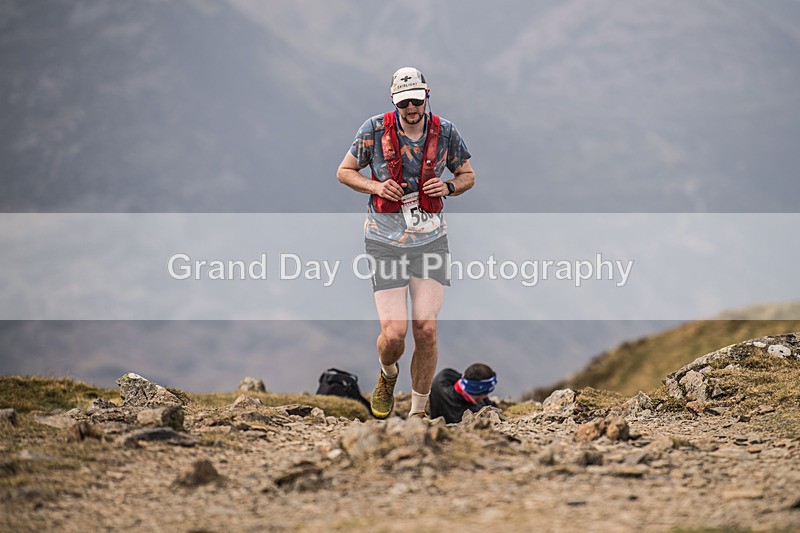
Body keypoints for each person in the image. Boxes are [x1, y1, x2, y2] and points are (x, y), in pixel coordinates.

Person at [336, 67, 475, 419]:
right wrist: (377, 186)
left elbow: (468, 174)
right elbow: (345, 171)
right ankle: (387, 374)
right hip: (384, 239)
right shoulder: (373, 130)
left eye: (416, 100)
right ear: (394, 101)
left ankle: (417, 412)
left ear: (427, 95)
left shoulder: (445, 132)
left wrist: (447, 187)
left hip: (430, 240)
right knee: (395, 334)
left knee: (426, 329)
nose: (411, 108)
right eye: (404, 103)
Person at [429, 363, 498, 424]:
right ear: (481, 392)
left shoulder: (445, 376)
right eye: (486, 392)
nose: (487, 395)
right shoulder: (468, 414)